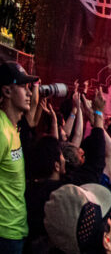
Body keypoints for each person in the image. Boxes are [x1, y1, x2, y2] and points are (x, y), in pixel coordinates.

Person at [0, 61, 37, 253]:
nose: (29, 93)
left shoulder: (12, 128)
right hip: (4, 235)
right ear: (7, 91)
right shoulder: (1, 132)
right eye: (23, 87)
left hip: (16, 231)